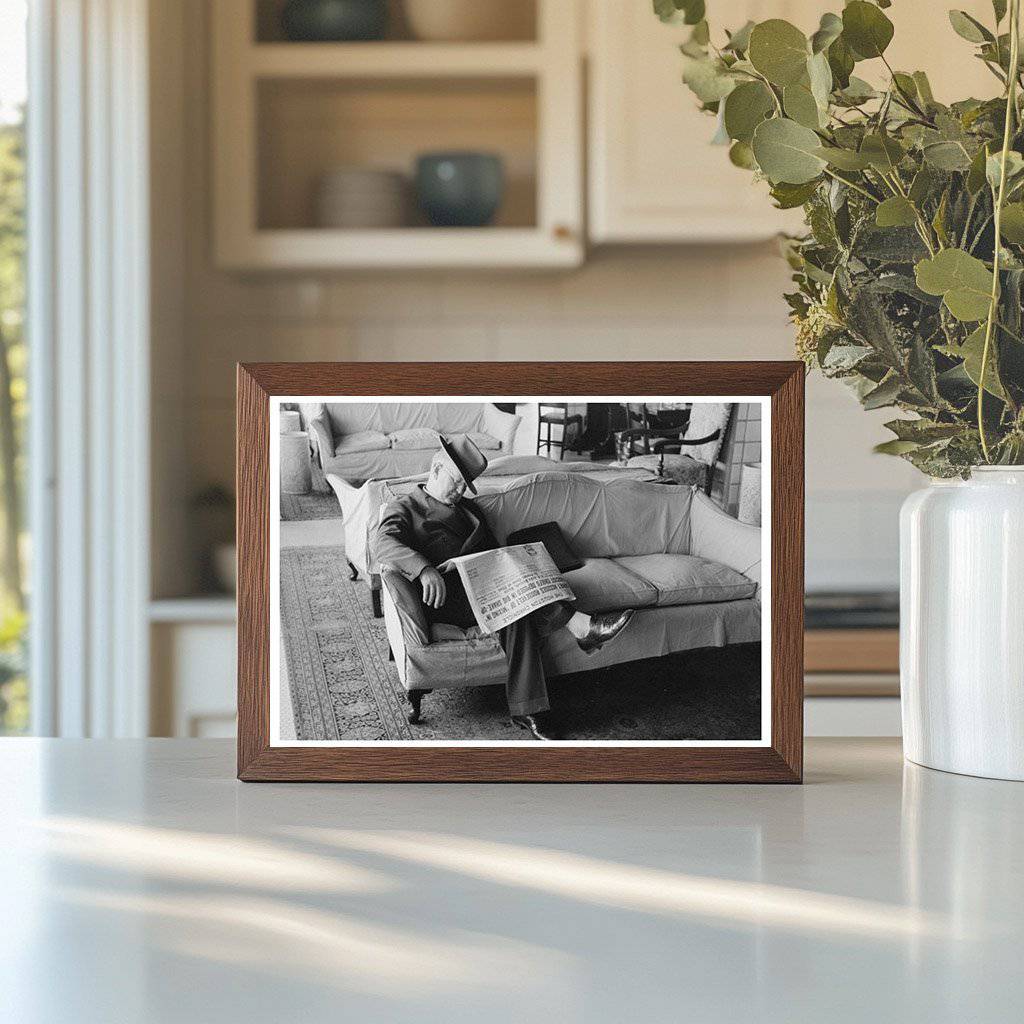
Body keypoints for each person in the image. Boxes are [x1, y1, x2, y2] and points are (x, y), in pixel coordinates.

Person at [373, 434, 634, 740]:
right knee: (512, 597)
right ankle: (579, 626)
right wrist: (424, 569)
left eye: (465, 484)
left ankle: (529, 710)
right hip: (444, 598)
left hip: (487, 591)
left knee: (516, 609)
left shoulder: (472, 512)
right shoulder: (404, 507)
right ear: (436, 469)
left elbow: (495, 555)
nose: (459, 491)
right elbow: (383, 542)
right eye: (456, 481)